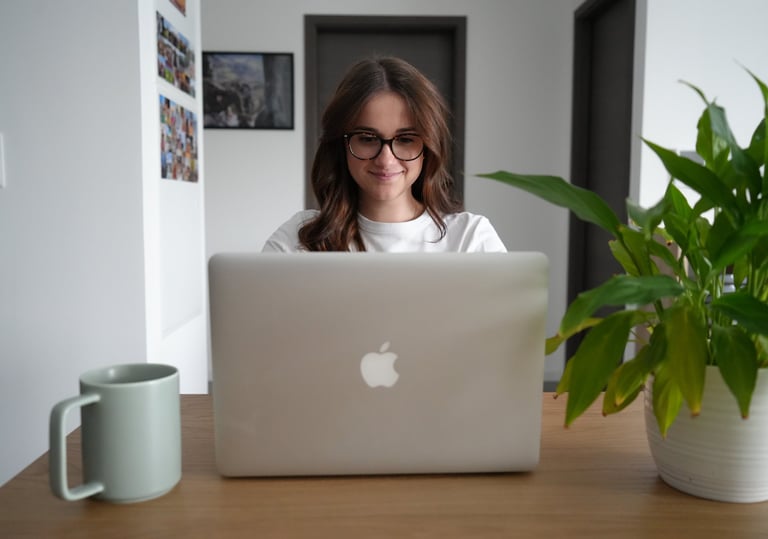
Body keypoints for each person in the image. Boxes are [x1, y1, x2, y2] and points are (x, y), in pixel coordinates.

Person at [262, 56, 506, 252]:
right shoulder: (297, 240)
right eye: (367, 138)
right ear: (341, 145)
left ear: (429, 148)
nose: (386, 159)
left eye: (405, 139)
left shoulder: (470, 239)